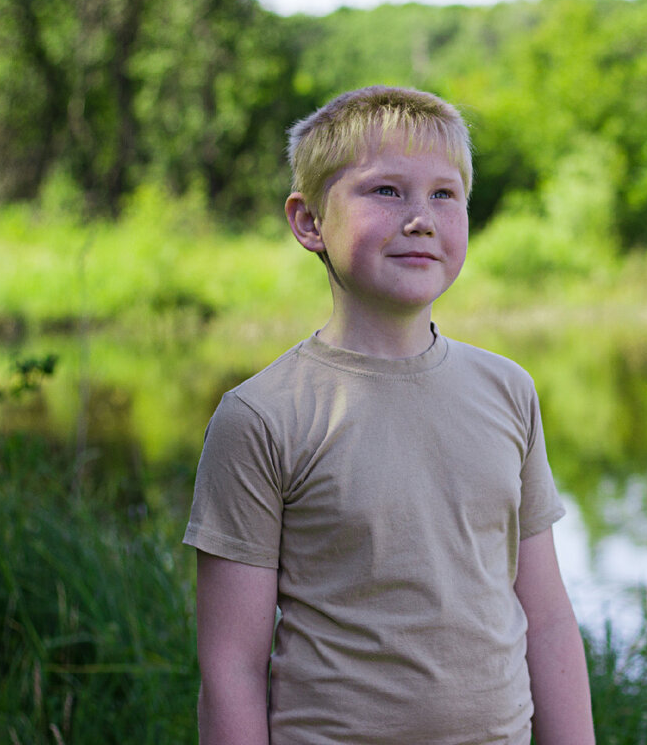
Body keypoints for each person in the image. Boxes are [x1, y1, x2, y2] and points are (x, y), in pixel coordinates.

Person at [184, 86, 595, 745]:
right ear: (309, 220)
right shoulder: (262, 417)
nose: (421, 218)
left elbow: (545, 617)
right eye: (385, 192)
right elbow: (231, 667)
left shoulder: (508, 391)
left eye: (444, 194)